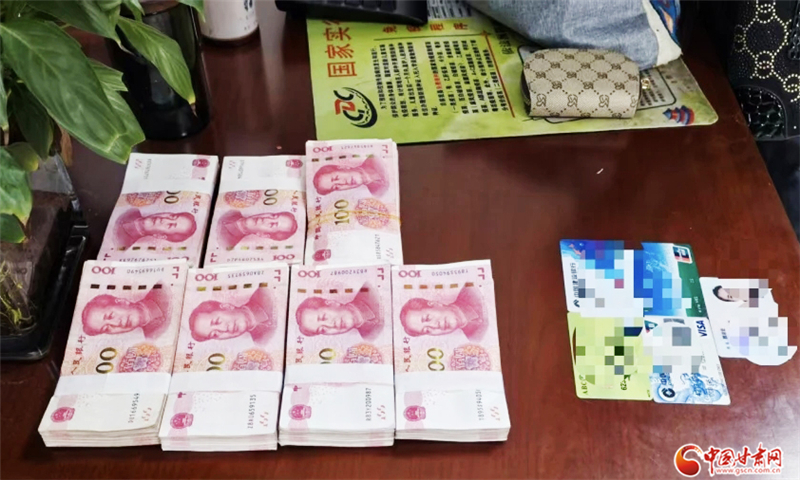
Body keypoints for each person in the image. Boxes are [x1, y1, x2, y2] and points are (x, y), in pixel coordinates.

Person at [399, 286, 488, 340]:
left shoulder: (473, 291)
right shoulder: (474, 338)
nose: (434, 326)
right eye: (427, 330)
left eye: (427, 318)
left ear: (435, 304)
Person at [188, 288, 275, 343]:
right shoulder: (260, 342)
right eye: (215, 334)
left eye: (217, 321)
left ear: (227, 307)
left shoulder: (266, 294)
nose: (224, 329)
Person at [295, 285, 382, 339]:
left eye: (324, 317)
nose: (331, 325)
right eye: (322, 330)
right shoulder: (370, 337)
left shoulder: (372, 293)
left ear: (332, 303)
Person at [81, 286, 171, 339]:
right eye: (106, 328)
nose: (116, 324)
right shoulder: (152, 338)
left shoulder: (163, 292)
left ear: (122, 302)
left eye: (111, 316)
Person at [113, 209, 197, 248]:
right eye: (172, 216)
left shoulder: (121, 243)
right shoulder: (132, 210)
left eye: (170, 225)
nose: (164, 219)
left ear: (160, 236)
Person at [216, 210, 298, 249]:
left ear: (263, 235)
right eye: (273, 216)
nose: (265, 219)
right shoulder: (233, 211)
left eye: (272, 224)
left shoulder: (226, 243)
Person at [312, 156, 388, 196]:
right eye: (336, 187)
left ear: (343, 167)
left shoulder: (376, 159)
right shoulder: (377, 193)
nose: (343, 183)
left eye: (336, 178)